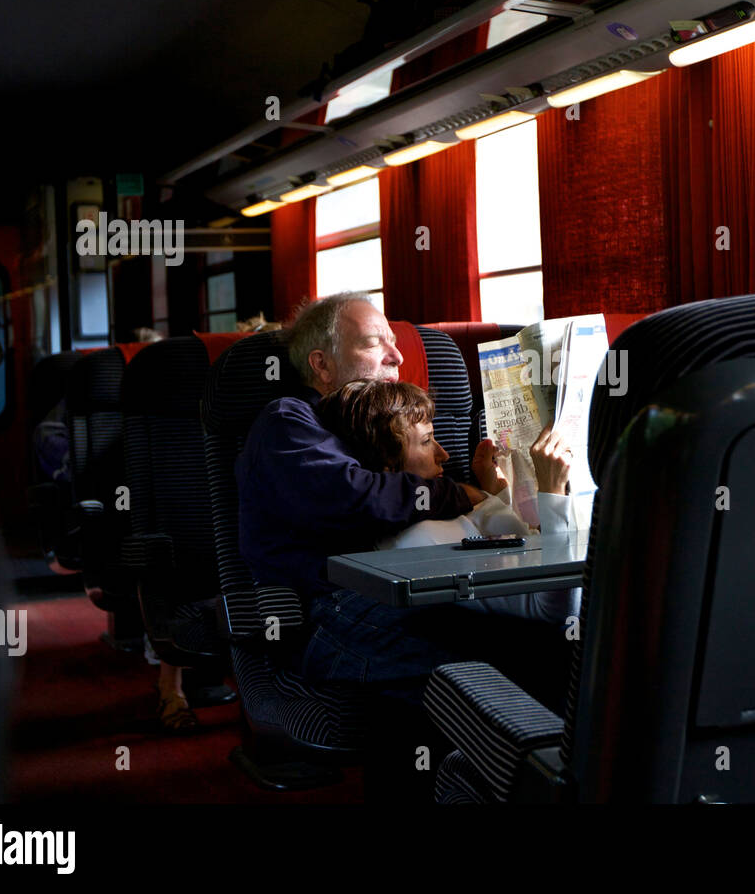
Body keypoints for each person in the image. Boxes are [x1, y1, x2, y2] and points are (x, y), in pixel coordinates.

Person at [235, 293, 571, 709]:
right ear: (321, 365)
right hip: (329, 609)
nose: (397, 355)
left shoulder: (388, 421)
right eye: (375, 342)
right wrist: (462, 494)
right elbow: (355, 497)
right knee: (519, 662)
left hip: (412, 589)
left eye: (395, 342)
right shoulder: (289, 420)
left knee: (560, 641)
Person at [315, 378, 580, 624]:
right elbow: (554, 609)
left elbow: (524, 544)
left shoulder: (441, 509)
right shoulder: (413, 545)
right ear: (386, 464)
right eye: (427, 441)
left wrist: (495, 494)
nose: (444, 454)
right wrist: (553, 490)